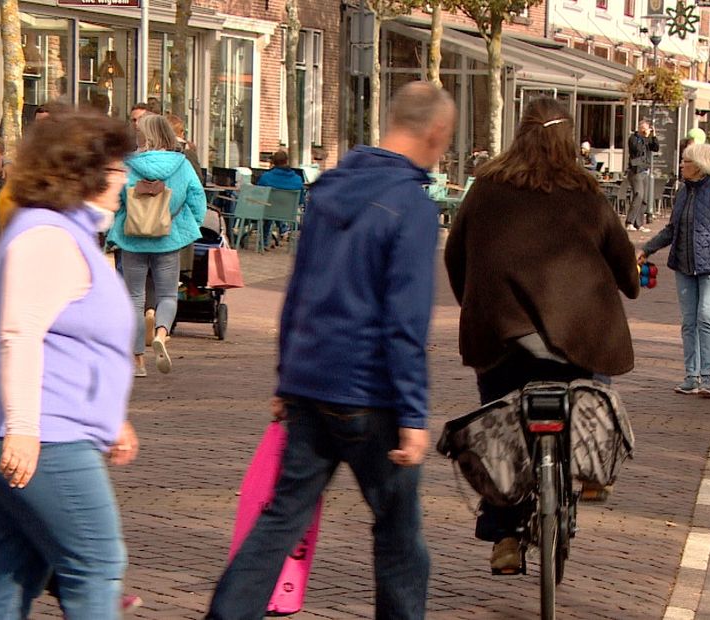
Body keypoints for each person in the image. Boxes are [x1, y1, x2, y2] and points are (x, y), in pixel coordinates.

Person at [206, 81, 455, 619]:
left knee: (281, 519)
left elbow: (300, 287)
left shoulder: (328, 189)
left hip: (312, 381)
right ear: (436, 132)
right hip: (371, 393)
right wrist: (413, 414)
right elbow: (405, 318)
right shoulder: (411, 206)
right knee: (399, 537)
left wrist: (285, 378)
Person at [444, 97, 639, 573]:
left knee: (503, 429)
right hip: (575, 336)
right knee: (589, 387)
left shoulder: (488, 186)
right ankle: (589, 465)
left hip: (501, 336)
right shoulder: (586, 190)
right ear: (568, 137)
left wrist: (476, 301)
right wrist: (627, 281)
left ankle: (504, 536)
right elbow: (622, 263)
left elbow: (454, 256)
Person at [0, 110, 139, 620]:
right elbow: (20, 334)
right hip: (44, 437)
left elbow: (74, 341)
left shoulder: (60, 233)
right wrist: (25, 428)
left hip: (42, 427)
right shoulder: (47, 238)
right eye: (117, 170)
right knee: (96, 563)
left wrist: (110, 413)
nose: (125, 180)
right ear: (85, 173)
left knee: (14, 570)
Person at [639, 143, 710, 397]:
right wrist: (647, 249)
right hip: (684, 265)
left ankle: (707, 378)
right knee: (688, 322)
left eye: (686, 161)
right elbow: (671, 230)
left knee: (706, 318)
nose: (682, 165)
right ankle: (691, 375)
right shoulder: (683, 193)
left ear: (699, 165)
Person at [107, 114, 206, 377]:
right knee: (167, 296)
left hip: (132, 238)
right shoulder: (182, 165)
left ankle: (137, 360)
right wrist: (188, 224)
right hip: (168, 238)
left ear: (144, 136)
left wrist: (117, 221)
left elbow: (114, 197)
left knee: (134, 299)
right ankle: (161, 333)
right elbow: (197, 198)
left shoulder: (128, 165)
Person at [255, 150, 305, 248]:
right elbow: (301, 200)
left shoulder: (266, 177)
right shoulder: (297, 179)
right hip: (289, 213)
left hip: (268, 211)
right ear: (287, 161)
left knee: (269, 207)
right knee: (277, 207)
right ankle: (284, 230)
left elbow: (258, 195)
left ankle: (264, 241)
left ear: (273, 162)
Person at [625, 119, 659, 232]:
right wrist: (645, 136)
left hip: (645, 170)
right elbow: (637, 150)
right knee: (638, 195)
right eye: (643, 128)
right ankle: (629, 222)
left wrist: (653, 136)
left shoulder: (648, 139)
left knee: (644, 198)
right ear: (639, 128)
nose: (645, 130)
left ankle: (638, 224)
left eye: (646, 128)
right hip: (636, 171)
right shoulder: (633, 138)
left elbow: (655, 148)